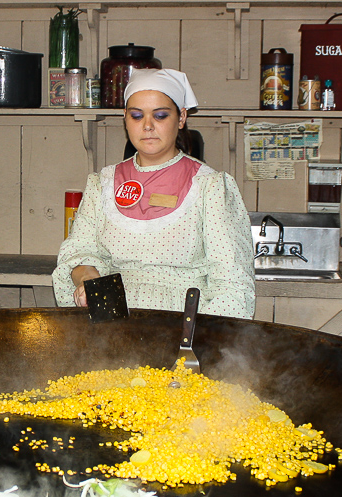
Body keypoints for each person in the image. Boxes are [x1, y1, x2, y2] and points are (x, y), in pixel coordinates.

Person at [52, 68, 255, 318]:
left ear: (181, 118)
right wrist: (86, 276)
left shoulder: (210, 187)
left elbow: (231, 283)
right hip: (112, 323)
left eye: (160, 116)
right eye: (137, 116)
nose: (147, 126)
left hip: (184, 323)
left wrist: (197, 339)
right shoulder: (102, 183)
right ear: (125, 118)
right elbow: (78, 252)